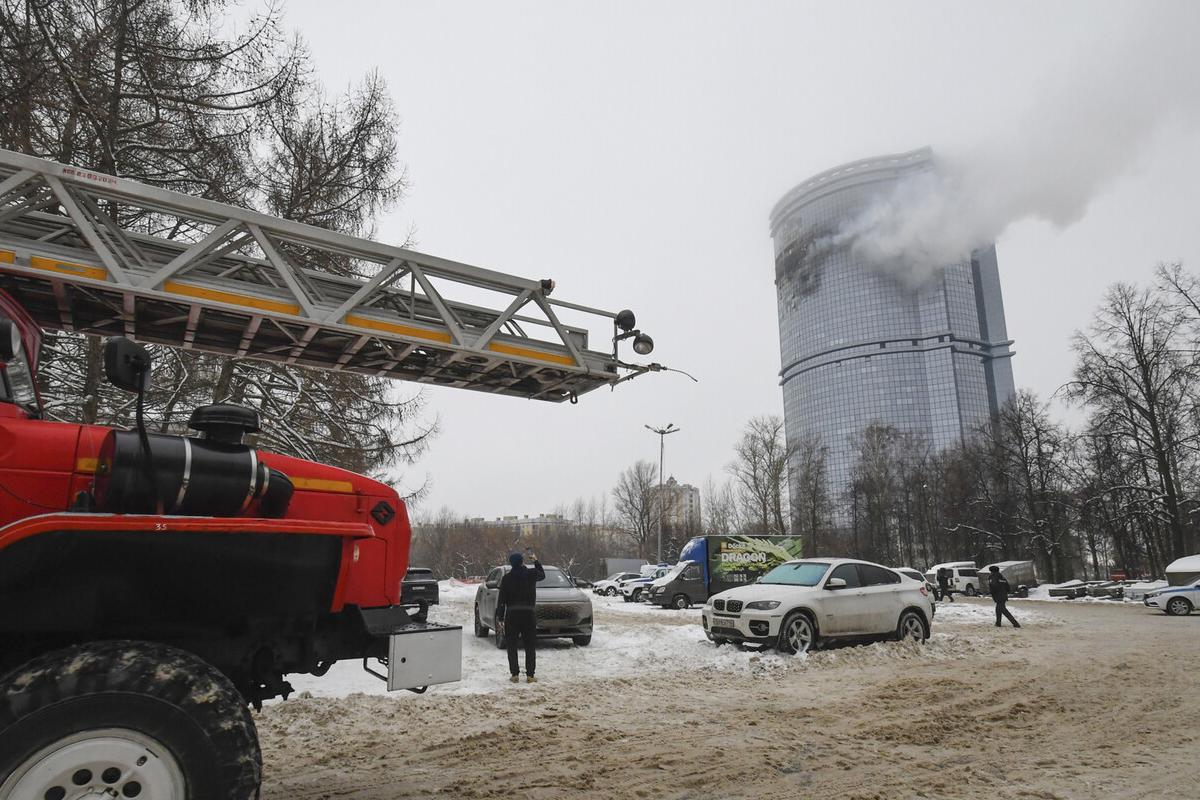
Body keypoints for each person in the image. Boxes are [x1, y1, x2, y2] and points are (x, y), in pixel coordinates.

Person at [495, 550, 545, 682]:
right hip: (529, 614)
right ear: (522, 562)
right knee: (530, 645)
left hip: (512, 614)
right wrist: (535, 561)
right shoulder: (531, 574)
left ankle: (515, 674)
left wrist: (500, 618)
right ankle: (530, 675)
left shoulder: (506, 578)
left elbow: (501, 600)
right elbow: (542, 575)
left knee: (511, 645)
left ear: (511, 564)